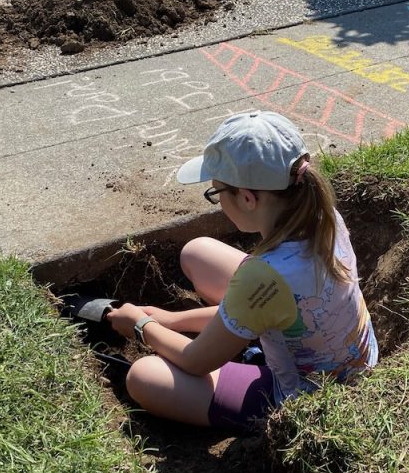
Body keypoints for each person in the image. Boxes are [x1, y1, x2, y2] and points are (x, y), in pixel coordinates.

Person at [106, 111, 378, 432]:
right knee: (198, 252)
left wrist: (141, 325)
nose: (219, 201)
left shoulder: (261, 277)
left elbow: (196, 360)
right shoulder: (324, 217)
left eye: (217, 193)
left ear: (248, 198)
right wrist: (171, 320)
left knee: (143, 376)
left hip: (305, 395)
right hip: (348, 358)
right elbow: (260, 306)